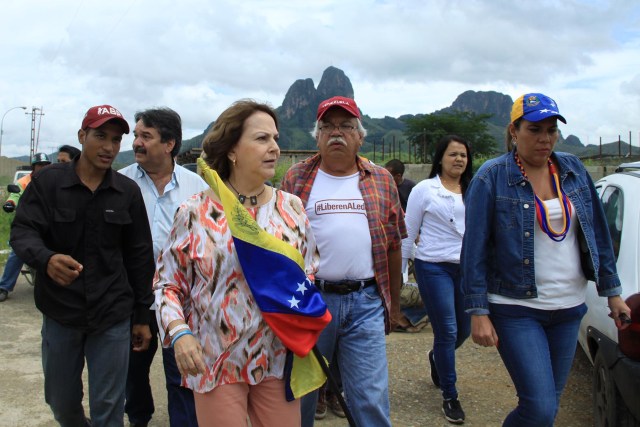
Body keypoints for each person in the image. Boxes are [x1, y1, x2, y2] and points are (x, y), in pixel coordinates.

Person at [461, 93, 631, 427]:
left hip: (569, 309)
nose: (545, 138)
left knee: (547, 410)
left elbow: (597, 231)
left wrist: (612, 292)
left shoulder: (572, 169)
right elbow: (474, 249)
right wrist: (478, 311)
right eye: (535, 129)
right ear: (514, 131)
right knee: (538, 408)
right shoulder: (491, 176)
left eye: (551, 130)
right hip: (516, 309)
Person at [153, 100, 319, 427]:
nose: (274, 147)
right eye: (262, 139)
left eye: (275, 138)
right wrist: (179, 332)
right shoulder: (195, 212)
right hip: (215, 359)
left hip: (277, 356)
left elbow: (308, 272)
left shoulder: (293, 210)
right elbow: (166, 284)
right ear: (232, 149)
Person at [10, 105, 156, 426]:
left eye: (116, 140)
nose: (108, 147)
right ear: (82, 136)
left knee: (109, 406)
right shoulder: (48, 183)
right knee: (61, 402)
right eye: (100, 136)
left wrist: (142, 315)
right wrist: (46, 259)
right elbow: (23, 232)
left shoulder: (126, 192)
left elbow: (140, 257)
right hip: (62, 312)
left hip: (112, 316)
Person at [281, 95, 407, 427]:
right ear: (317, 136)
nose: (337, 133)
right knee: (301, 395)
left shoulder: (381, 179)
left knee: (370, 396)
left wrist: (392, 305)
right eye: (328, 127)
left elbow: (394, 246)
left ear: (360, 136)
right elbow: (280, 246)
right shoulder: (295, 179)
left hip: (365, 302)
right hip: (311, 302)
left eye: (346, 126)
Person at [119, 107, 206, 427]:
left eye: (146, 136)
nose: (136, 142)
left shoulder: (195, 187)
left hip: (181, 299)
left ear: (169, 144)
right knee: (133, 369)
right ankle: (138, 418)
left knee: (183, 372)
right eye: (136, 135)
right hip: (132, 296)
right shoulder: (120, 183)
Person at [401, 135, 472, 424]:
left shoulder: (475, 189)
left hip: (466, 269)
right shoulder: (424, 189)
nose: (458, 159)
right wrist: (402, 272)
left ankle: (436, 358)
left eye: (463, 155)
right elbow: (408, 230)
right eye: (453, 154)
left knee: (464, 331)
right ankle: (450, 395)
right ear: (440, 158)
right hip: (433, 267)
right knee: (447, 330)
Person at [0, 153, 51, 302]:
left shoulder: (53, 181)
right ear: (33, 167)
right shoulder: (24, 181)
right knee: (17, 252)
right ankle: (4, 286)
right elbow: (14, 195)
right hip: (29, 224)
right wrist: (10, 203)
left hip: (49, 224)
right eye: (40, 165)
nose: (43, 168)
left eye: (46, 165)